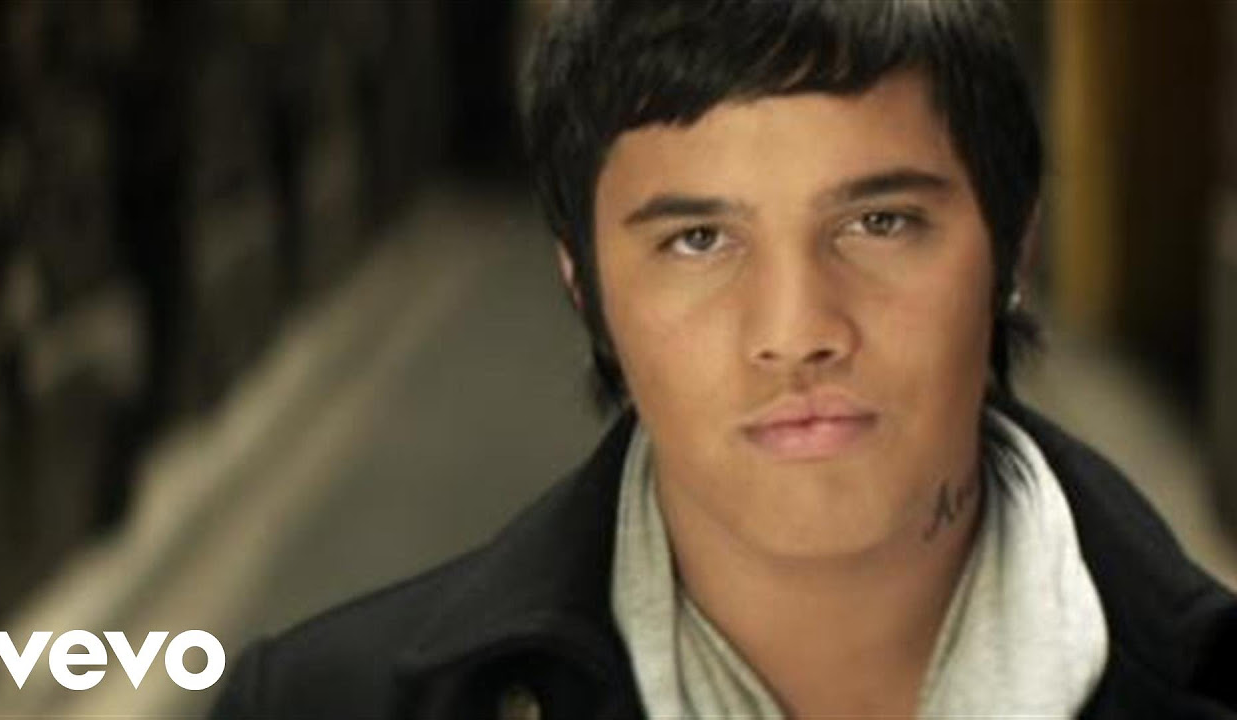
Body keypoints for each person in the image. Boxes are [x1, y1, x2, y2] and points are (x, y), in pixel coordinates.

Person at [210, 1, 1237, 717]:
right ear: (587, 290)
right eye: (698, 240)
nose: (795, 330)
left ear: (1013, 250)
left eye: (878, 222)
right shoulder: (316, 705)